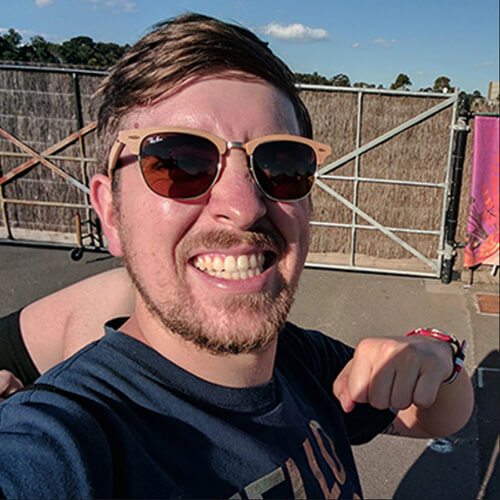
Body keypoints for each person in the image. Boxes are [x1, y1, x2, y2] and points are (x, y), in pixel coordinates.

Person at [0, 13, 473, 499]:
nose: (244, 207)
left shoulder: (302, 360)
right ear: (111, 212)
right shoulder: (69, 439)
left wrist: (437, 354)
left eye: (281, 165)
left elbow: (438, 416)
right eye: (181, 163)